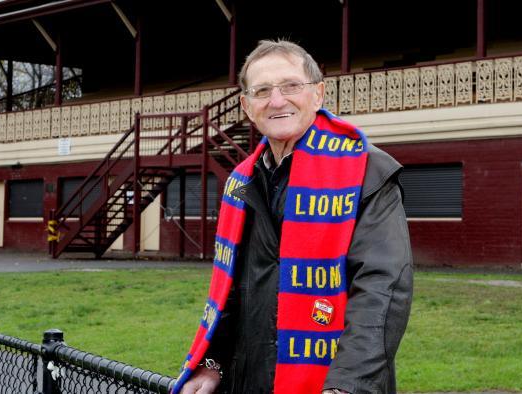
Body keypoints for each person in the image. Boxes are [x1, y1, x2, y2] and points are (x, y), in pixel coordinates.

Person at [173, 39, 413, 394]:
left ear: (318, 94)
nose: (277, 100)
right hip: (247, 382)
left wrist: (346, 386)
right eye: (263, 91)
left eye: (291, 86)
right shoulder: (240, 184)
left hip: (333, 384)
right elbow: (232, 292)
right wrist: (212, 365)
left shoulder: (367, 172)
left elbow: (381, 289)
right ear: (247, 106)